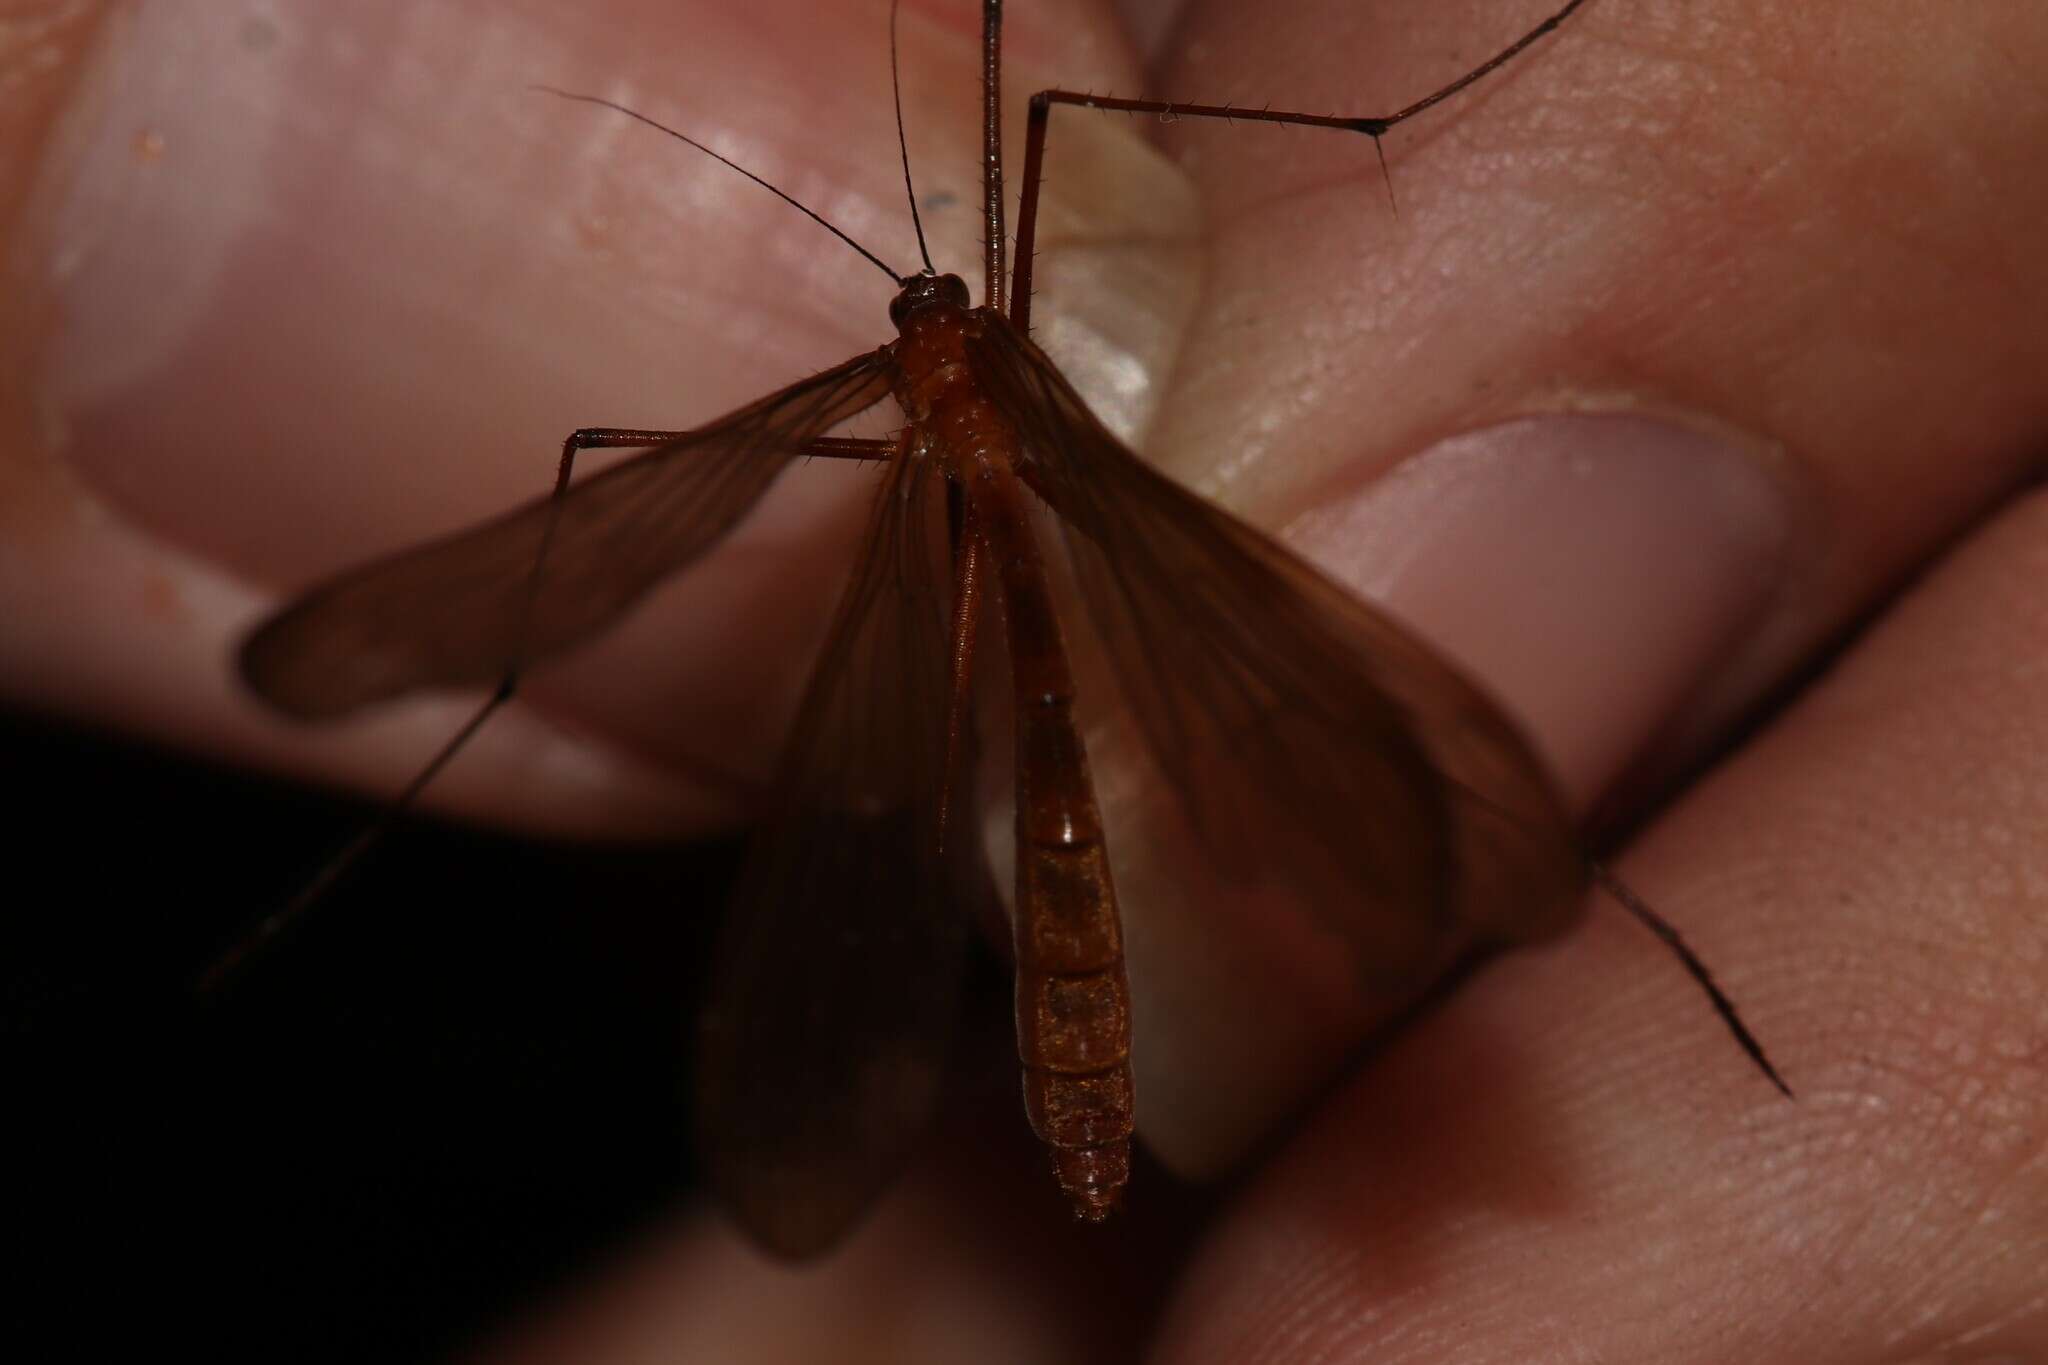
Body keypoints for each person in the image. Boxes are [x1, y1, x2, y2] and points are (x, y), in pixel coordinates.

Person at [7, 0, 2042, 1357]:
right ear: (948, 320)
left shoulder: (923, 380)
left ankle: (1577, 854)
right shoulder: (948, 340)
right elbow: (604, 479)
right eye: (929, 298)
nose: (928, 298)